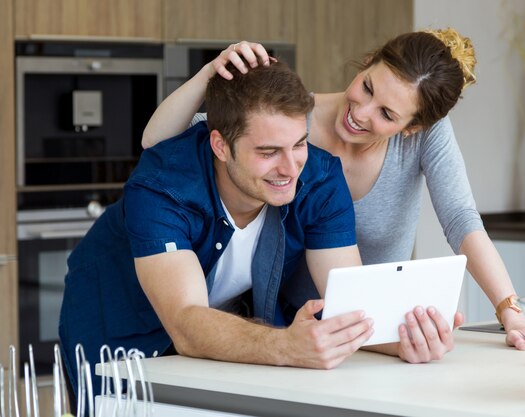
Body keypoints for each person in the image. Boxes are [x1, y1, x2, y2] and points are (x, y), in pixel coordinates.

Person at [142, 28, 525, 354]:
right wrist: (209, 72)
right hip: (295, 321)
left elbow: (461, 220)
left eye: (386, 114)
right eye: (367, 88)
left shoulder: (424, 138)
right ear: (366, 64)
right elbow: (159, 145)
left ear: (412, 128)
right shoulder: (292, 122)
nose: (361, 112)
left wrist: (509, 308)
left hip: (372, 323)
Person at [59, 60, 378, 402]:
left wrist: (410, 336)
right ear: (221, 146)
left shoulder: (319, 177)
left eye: (299, 144)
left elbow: (353, 302)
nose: (290, 169)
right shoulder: (162, 187)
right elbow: (186, 323)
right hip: (119, 331)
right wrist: (286, 345)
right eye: (268, 152)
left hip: (217, 331)